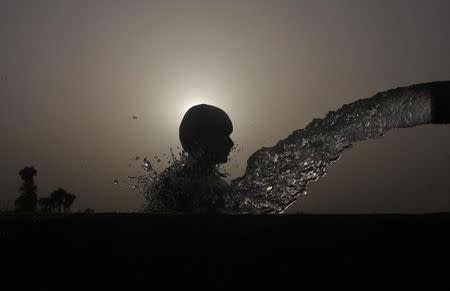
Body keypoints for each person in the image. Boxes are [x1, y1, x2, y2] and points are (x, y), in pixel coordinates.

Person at [149, 104, 235, 213]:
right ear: (205, 140)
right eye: (224, 135)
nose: (231, 143)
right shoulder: (179, 186)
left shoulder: (214, 182)